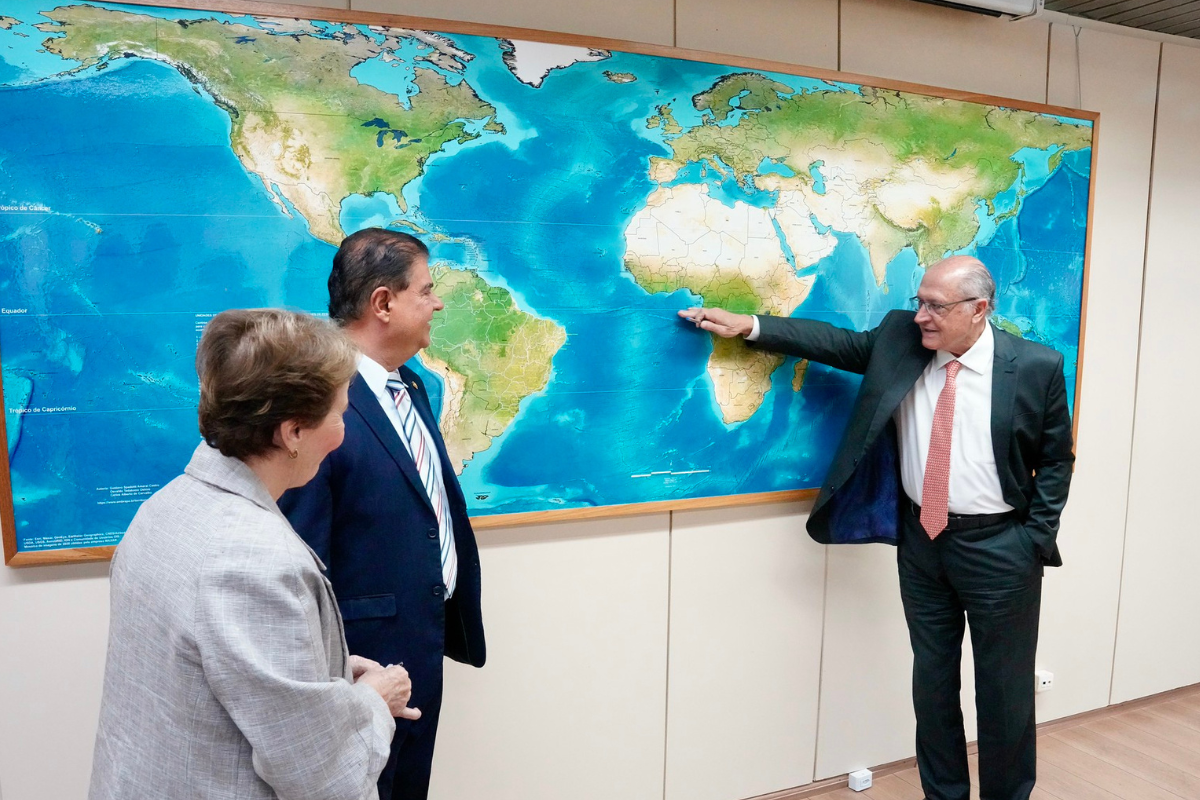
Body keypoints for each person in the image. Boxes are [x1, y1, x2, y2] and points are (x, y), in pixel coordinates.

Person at [680, 255, 1073, 800]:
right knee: (932, 686)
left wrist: (1033, 537)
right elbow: (834, 343)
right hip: (922, 543)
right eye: (920, 302)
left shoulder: (1035, 366)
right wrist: (751, 326)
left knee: (1004, 693)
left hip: (1001, 549)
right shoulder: (901, 341)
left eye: (936, 306)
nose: (921, 317)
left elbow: (1056, 459)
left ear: (979, 310)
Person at [89, 308, 421, 800]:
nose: (343, 431)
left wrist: (320, 672)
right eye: (340, 413)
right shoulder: (257, 562)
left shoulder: (164, 508)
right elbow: (322, 776)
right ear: (293, 433)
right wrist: (373, 699)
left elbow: (205, 668)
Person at [279, 228, 486, 800]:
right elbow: (299, 553)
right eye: (426, 290)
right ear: (383, 303)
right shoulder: (319, 402)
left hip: (419, 641)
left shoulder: (409, 385)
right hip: (360, 659)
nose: (437, 302)